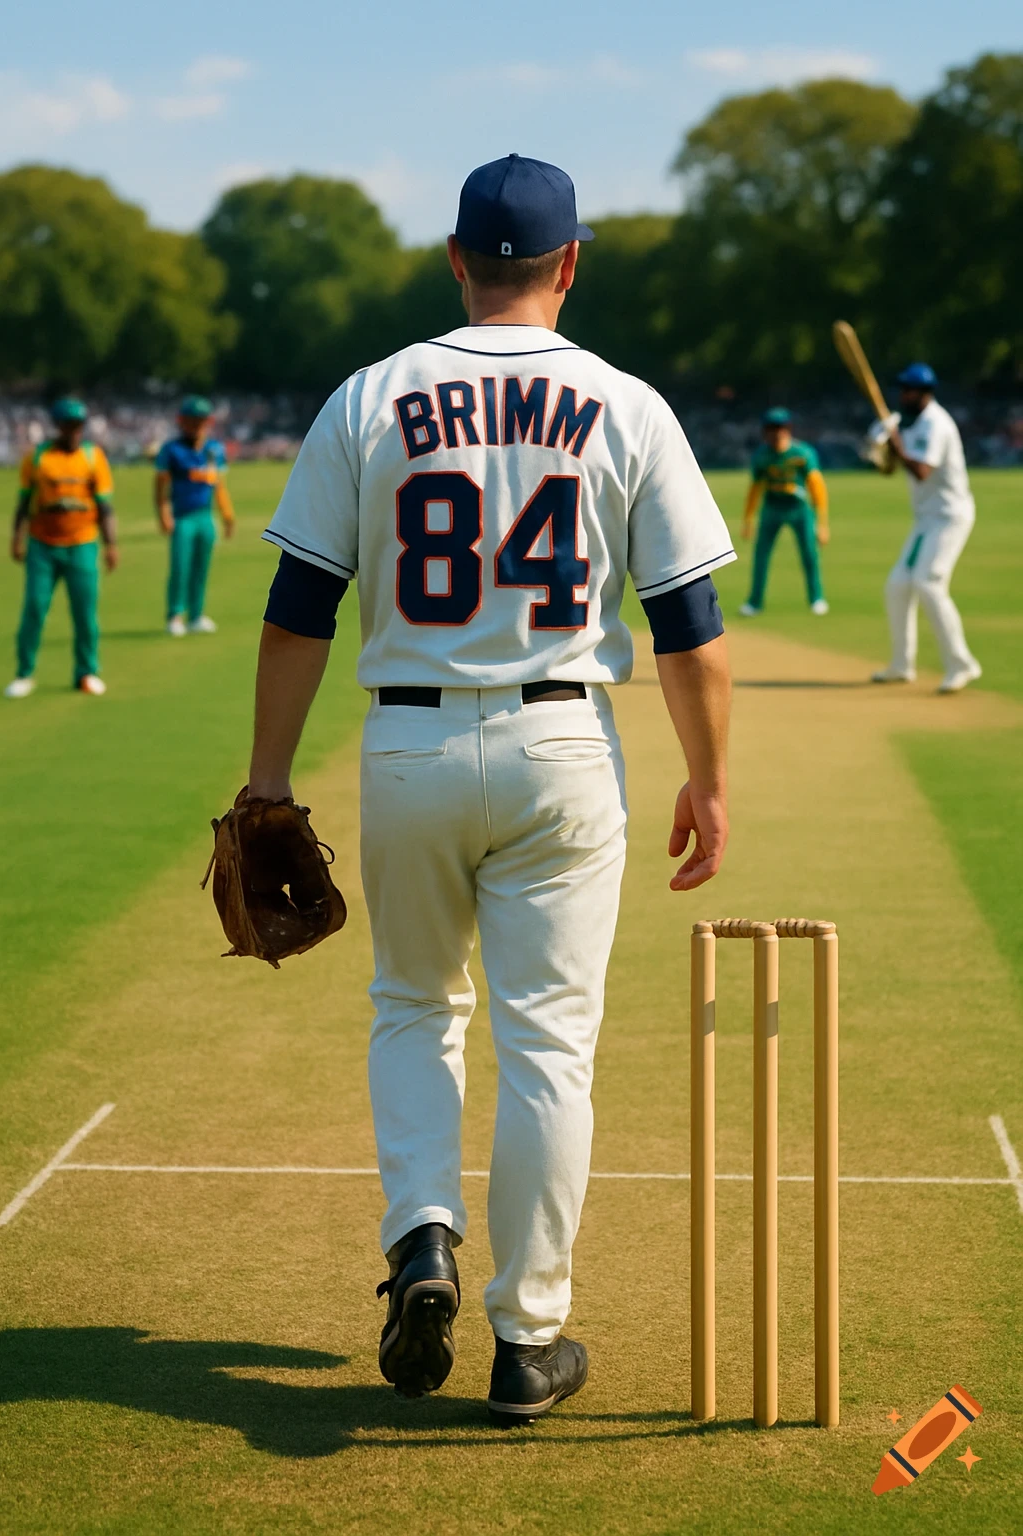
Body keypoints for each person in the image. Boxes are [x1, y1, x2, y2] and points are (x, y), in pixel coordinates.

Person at [247, 154, 735, 1423]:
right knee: (547, 1049)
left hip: (406, 744)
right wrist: (710, 781)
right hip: (564, 749)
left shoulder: (371, 394)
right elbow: (688, 626)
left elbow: (301, 608)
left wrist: (264, 780)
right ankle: (529, 1339)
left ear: (455, 258)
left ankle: (419, 1236)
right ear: (570, 264)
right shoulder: (625, 402)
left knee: (414, 1005)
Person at [869, 364, 981, 693]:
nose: (904, 395)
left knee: (929, 584)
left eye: (910, 390)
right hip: (926, 519)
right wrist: (885, 447)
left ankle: (962, 664)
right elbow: (889, 468)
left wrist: (896, 443)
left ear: (925, 393)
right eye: (902, 389)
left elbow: (921, 471)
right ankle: (902, 665)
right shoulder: (904, 422)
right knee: (897, 586)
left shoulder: (937, 423)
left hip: (950, 515)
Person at [5, 397, 117, 699]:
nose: (73, 431)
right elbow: (24, 502)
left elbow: (104, 506)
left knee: (85, 613)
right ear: (57, 426)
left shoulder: (93, 457)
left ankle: (87, 672)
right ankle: (24, 673)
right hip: (42, 545)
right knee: (35, 608)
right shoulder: (38, 457)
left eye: (78, 425)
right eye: (68, 425)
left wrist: (111, 545)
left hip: (82, 543)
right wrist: (16, 538)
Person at [154, 395, 235, 636]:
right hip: (183, 517)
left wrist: (227, 515)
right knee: (180, 567)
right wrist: (163, 513)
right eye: (191, 420)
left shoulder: (214, 449)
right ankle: (175, 615)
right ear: (182, 421)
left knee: (202, 567)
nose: (196, 425)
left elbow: (218, 485)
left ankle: (196, 615)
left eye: (201, 421)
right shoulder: (171, 450)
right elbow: (160, 487)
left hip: (205, 516)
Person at [738, 407, 830, 617]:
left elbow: (817, 486)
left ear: (788, 429)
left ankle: (816, 598)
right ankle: (755, 602)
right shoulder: (762, 456)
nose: (776, 433)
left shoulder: (802, 453)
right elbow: (755, 489)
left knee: (809, 554)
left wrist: (822, 523)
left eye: (780, 428)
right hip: (772, 508)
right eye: (771, 428)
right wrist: (748, 520)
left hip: (799, 509)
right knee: (761, 555)